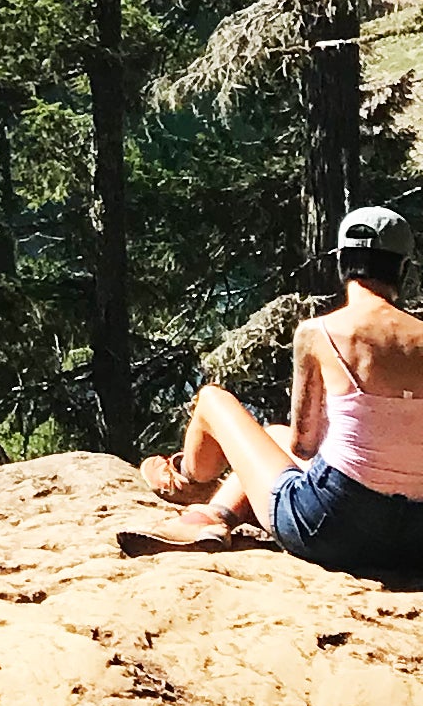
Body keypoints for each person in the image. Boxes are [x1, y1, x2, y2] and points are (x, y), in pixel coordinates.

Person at [136, 206, 423, 571]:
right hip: (414, 541)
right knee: (272, 434)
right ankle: (211, 515)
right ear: (403, 268)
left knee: (212, 399)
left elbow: (304, 444)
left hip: (328, 529)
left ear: (341, 262)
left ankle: (187, 480)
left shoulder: (319, 334)